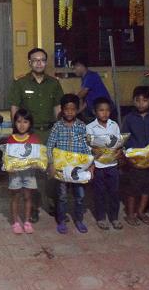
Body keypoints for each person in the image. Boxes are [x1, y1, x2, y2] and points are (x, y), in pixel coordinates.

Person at [8, 47, 64, 221]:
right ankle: (32, 208)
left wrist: (61, 130)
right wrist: (17, 132)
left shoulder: (54, 83)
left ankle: (53, 203)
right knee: (31, 173)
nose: (39, 63)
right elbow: (14, 109)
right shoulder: (20, 83)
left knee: (51, 170)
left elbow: (57, 108)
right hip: (30, 136)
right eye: (35, 60)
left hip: (50, 132)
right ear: (29, 62)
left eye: (42, 60)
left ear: (46, 62)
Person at [121, 86, 149, 226]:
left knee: (148, 187)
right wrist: (128, 157)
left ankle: (141, 212)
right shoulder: (129, 118)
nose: (141, 103)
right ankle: (130, 214)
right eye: (137, 100)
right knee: (132, 189)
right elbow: (123, 139)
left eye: (145, 100)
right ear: (133, 101)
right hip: (135, 161)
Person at [46, 94, 91, 234]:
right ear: (62, 110)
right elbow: (49, 146)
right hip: (62, 169)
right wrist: (51, 164)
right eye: (67, 109)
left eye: (73, 109)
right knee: (62, 196)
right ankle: (61, 220)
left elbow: (87, 147)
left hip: (79, 169)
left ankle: (79, 220)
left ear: (77, 110)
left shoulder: (82, 126)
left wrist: (90, 165)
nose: (70, 112)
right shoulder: (57, 127)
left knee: (80, 196)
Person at [86, 97, 123, 230]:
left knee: (114, 192)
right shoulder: (90, 127)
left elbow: (119, 142)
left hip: (112, 165)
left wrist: (119, 152)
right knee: (99, 192)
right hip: (98, 165)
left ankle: (114, 217)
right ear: (95, 112)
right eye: (101, 110)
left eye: (107, 110)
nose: (105, 113)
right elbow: (89, 146)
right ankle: (101, 217)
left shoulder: (114, 125)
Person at [6, 108, 40, 234]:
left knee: (27, 196)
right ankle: (15, 222)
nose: (21, 125)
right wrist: (9, 168)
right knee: (15, 197)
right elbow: (7, 158)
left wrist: (37, 164)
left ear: (30, 123)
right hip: (15, 174)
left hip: (30, 173)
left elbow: (38, 158)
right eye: (19, 121)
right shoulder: (11, 139)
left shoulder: (34, 139)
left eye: (25, 122)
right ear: (14, 123)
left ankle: (27, 221)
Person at [72, 57, 113, 121]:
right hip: (96, 109)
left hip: (104, 109)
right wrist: (78, 111)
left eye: (74, 68)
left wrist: (70, 100)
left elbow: (82, 93)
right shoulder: (85, 78)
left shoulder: (90, 76)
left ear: (81, 66)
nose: (74, 71)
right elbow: (87, 101)